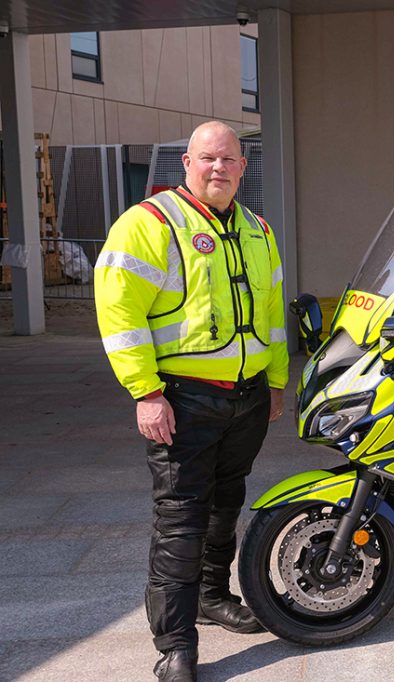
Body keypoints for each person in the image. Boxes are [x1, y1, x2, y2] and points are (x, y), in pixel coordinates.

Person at [95, 121, 288, 681]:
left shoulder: (258, 230)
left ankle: (211, 596)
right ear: (186, 162)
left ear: (243, 167)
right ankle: (175, 645)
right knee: (180, 520)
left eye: (228, 159)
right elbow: (119, 314)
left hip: (247, 398)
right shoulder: (148, 223)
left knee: (226, 506)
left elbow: (271, 316)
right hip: (182, 400)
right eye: (207, 159)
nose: (218, 169)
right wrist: (146, 393)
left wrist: (276, 383)